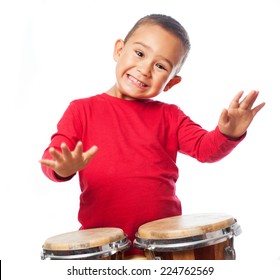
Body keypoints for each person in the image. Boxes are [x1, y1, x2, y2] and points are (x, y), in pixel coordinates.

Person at [40, 14, 265, 256]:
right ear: (119, 50)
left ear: (171, 83)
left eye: (161, 66)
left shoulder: (170, 116)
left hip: (165, 247)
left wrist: (228, 134)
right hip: (104, 248)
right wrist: (63, 167)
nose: (145, 69)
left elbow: (205, 149)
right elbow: (53, 158)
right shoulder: (81, 110)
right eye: (139, 53)